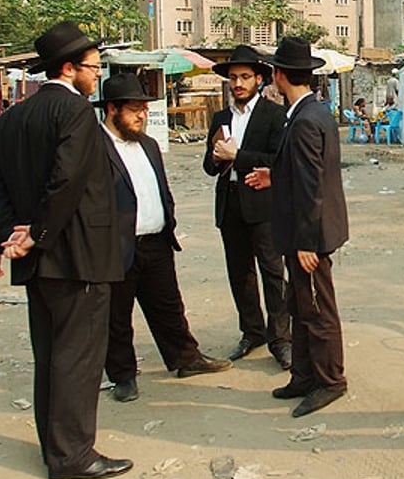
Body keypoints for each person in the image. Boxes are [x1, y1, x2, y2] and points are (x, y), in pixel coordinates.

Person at [0, 21, 131, 479]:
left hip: (37, 260)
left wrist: (12, 233)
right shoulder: (76, 113)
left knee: (49, 354)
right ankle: (73, 456)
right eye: (93, 67)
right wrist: (35, 234)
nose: (97, 74)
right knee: (78, 357)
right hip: (76, 255)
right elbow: (66, 182)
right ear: (68, 69)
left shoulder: (13, 117)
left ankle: (55, 445)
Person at [98, 74, 231, 403]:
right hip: (116, 247)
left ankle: (186, 359)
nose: (142, 115)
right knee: (117, 317)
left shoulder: (148, 144)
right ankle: (123, 376)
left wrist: (167, 218)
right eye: (134, 109)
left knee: (169, 307)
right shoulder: (93, 147)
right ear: (112, 109)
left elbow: (161, 189)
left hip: (156, 241)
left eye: (144, 108)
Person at [248, 37, 350, 418]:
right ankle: (304, 375)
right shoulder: (308, 112)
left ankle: (330, 380)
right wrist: (274, 175)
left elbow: (312, 186)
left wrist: (307, 242)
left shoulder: (306, 119)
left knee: (318, 309)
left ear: (278, 75)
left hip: (311, 234)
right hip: (303, 230)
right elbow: (307, 171)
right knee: (301, 306)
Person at [204, 46, 291, 369]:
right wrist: (215, 157)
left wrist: (237, 157)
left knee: (272, 272)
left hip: (263, 205)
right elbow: (210, 166)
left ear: (258, 79)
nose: (237, 83)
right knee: (240, 274)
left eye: (244, 77)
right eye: (233, 78)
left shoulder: (273, 115)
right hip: (229, 204)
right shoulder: (220, 118)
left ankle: (281, 338)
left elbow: (277, 161)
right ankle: (251, 331)